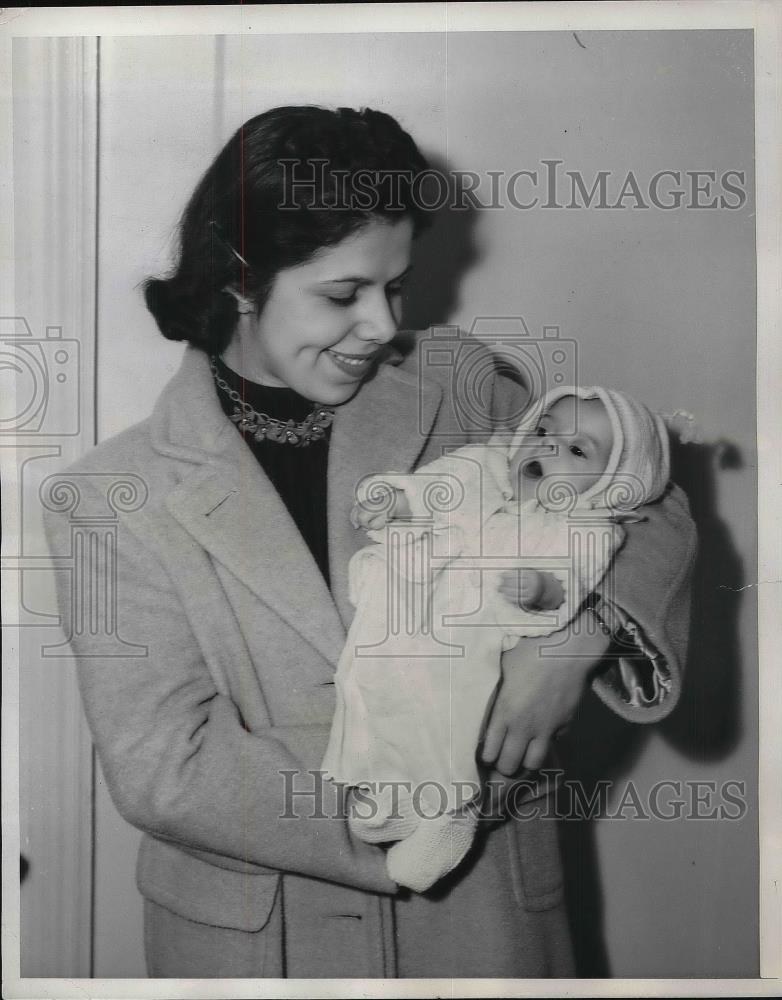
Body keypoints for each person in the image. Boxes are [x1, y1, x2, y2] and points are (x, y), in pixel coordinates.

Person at [42, 105, 697, 978]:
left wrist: (578, 641)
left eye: (395, 286)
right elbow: (165, 765)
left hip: (483, 928)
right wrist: (432, 806)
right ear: (241, 279)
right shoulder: (106, 496)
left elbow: (648, 496)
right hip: (253, 950)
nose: (385, 326)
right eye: (343, 294)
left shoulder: (460, 388)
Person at [324, 385, 675, 893]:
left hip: (478, 625)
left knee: (444, 702)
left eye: (577, 451)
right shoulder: (487, 466)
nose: (547, 448)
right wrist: (396, 501)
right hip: (415, 603)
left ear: (616, 485)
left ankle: (451, 807)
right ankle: (388, 786)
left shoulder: (589, 526)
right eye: (542, 432)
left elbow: (572, 578)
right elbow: (439, 485)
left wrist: (542, 590)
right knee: (369, 681)